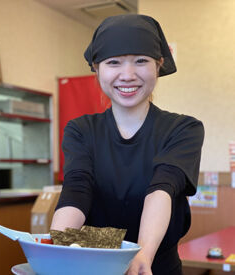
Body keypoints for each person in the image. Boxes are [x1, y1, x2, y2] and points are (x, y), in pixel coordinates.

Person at [51, 14, 204, 275]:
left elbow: (161, 191)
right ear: (97, 69)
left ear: (159, 65)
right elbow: (76, 189)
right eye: (114, 63)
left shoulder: (183, 129)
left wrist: (142, 256)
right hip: (93, 265)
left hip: (156, 266)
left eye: (141, 61)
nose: (128, 75)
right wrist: (56, 249)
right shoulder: (80, 130)